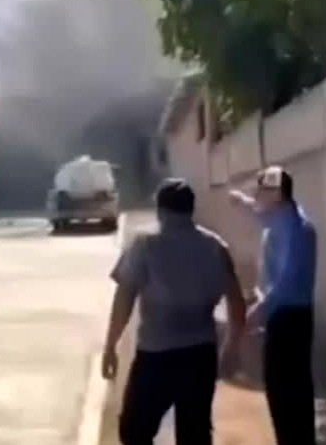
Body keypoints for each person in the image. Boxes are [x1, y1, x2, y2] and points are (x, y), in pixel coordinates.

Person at [102, 178, 246, 445]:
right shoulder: (215, 246)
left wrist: (111, 345)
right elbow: (237, 304)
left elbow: (124, 299)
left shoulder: (144, 245)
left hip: (156, 356)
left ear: (160, 210)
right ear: (191, 209)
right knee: (195, 433)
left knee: (134, 431)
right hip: (201, 355)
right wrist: (231, 349)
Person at [229, 166, 317, 445]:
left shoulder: (297, 230)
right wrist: (242, 202)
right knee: (280, 389)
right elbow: (259, 214)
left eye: (262, 190)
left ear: (277, 194)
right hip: (281, 316)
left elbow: (286, 282)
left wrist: (258, 311)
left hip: (291, 319)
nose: (257, 195)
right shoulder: (280, 218)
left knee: (290, 393)